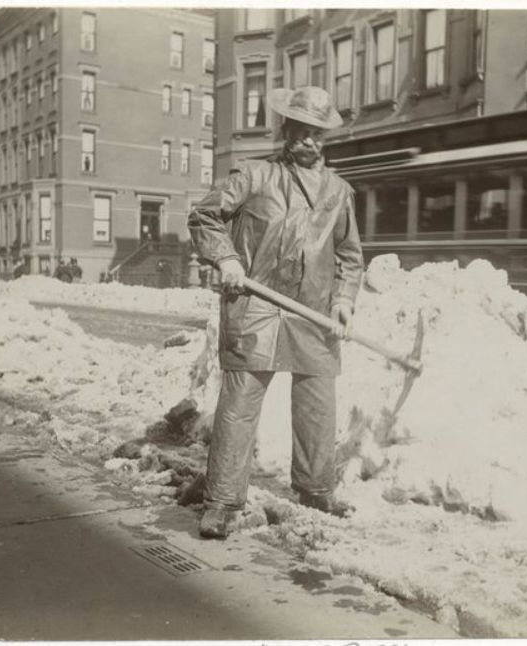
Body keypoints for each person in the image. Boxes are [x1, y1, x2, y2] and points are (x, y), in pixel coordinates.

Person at [187, 86, 363, 539]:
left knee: (318, 404)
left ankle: (316, 489)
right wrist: (226, 258)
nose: (308, 141)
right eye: (300, 131)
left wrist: (343, 301)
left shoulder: (340, 192)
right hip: (256, 305)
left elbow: (349, 255)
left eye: (317, 134)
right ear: (286, 131)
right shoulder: (254, 176)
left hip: (314, 312)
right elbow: (205, 216)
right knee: (240, 403)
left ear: (326, 139)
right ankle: (223, 500)